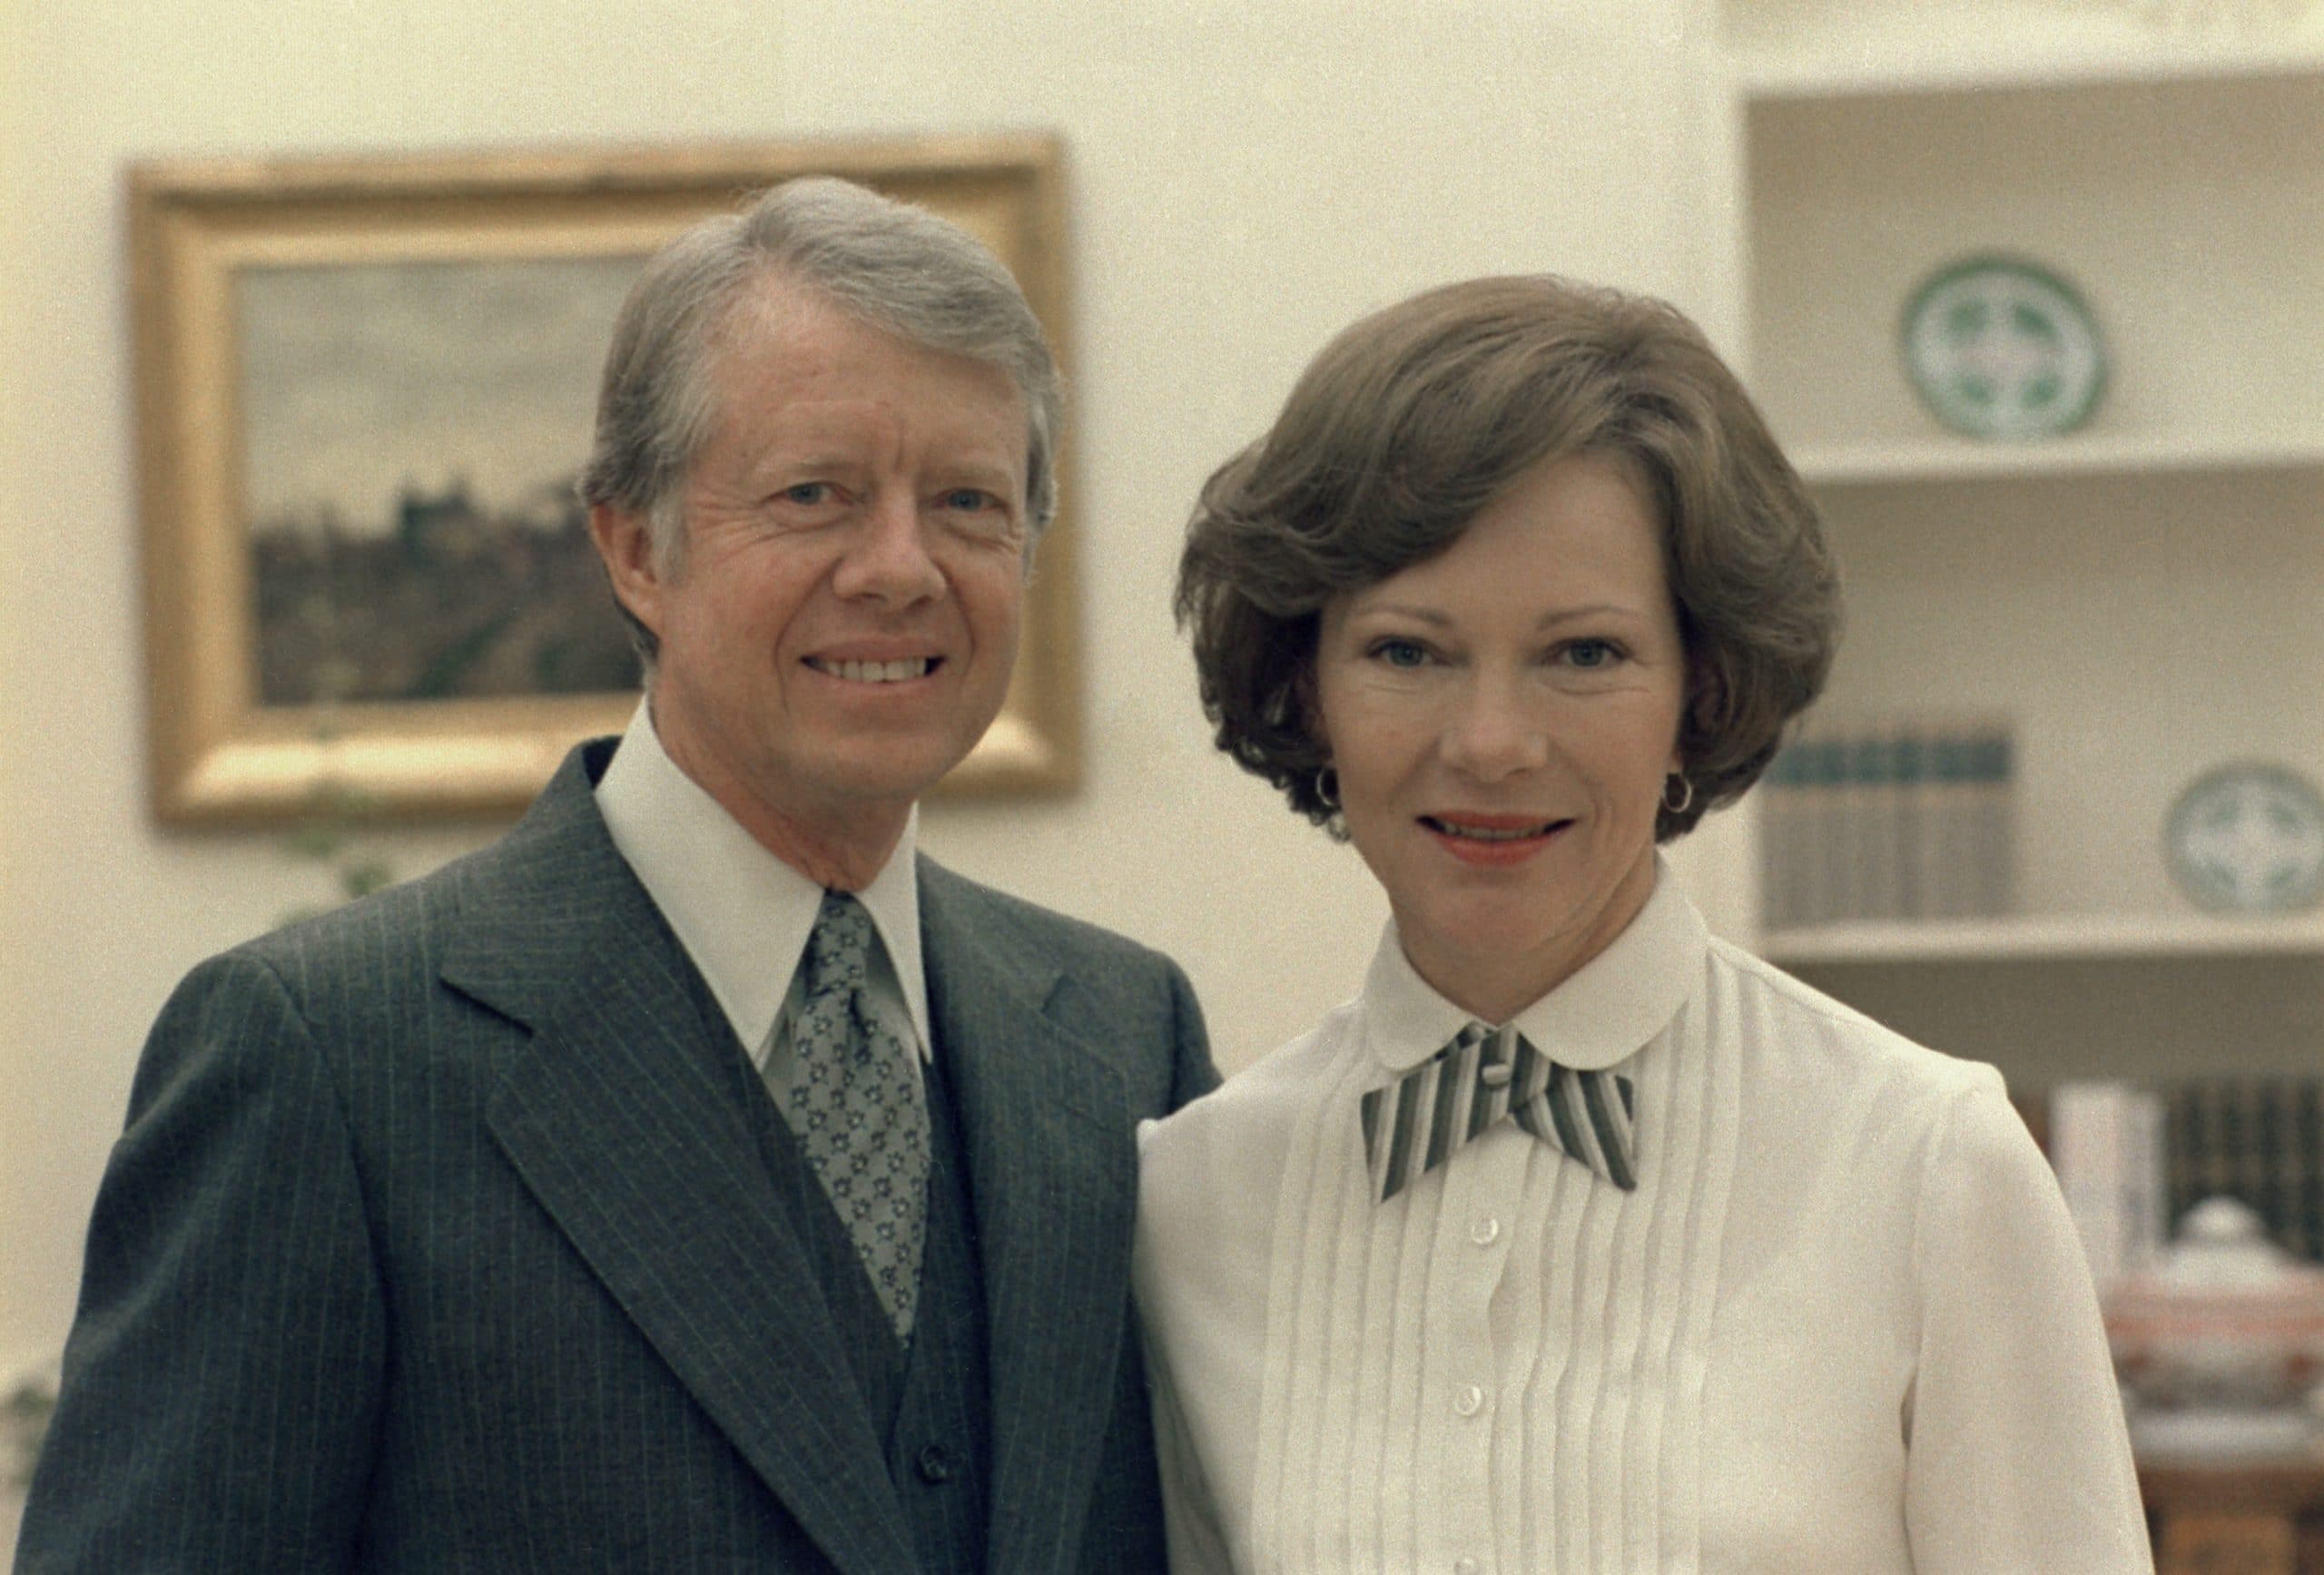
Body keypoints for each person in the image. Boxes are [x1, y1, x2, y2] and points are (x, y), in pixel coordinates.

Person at [21, 176, 1216, 1574]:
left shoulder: (1123, 1039)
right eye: (816, 494)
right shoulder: (327, 1061)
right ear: (637, 548)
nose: (901, 569)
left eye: (967, 501)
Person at [1137, 275, 2148, 1572]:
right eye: (1406, 651)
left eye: (1585, 654)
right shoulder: (1195, 1200)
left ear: (1701, 687)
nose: (1492, 743)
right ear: (1306, 687)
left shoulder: (1928, 1166)